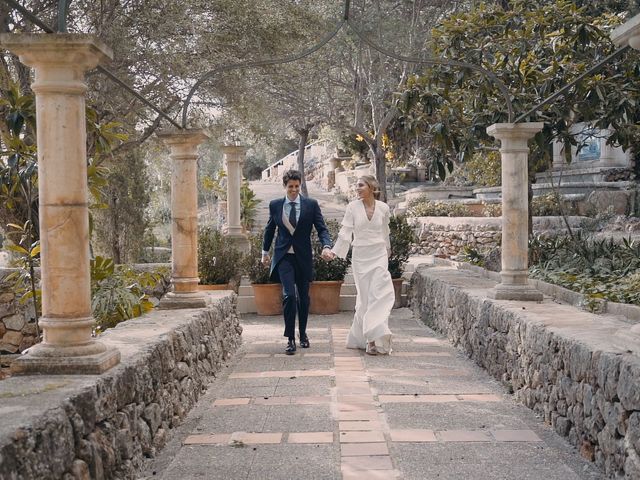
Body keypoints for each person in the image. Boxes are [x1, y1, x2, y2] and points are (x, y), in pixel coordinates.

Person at [262, 170, 333, 355]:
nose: (294, 190)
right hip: (284, 256)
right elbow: (270, 230)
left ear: (300, 185)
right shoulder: (275, 205)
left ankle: (302, 333)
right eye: (290, 187)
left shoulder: (310, 205)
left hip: (303, 257)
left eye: (296, 186)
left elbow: (322, 229)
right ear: (284, 187)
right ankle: (290, 339)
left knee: (304, 298)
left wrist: (326, 246)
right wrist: (264, 252)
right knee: (289, 296)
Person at [328, 175, 394, 355]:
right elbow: (345, 232)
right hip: (361, 257)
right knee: (365, 299)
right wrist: (334, 252)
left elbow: (385, 231)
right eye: (356, 186)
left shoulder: (383, 208)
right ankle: (367, 338)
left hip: (379, 254)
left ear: (372, 187)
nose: (357, 189)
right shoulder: (352, 207)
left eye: (360, 185)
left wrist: (388, 249)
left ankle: (373, 341)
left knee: (378, 294)